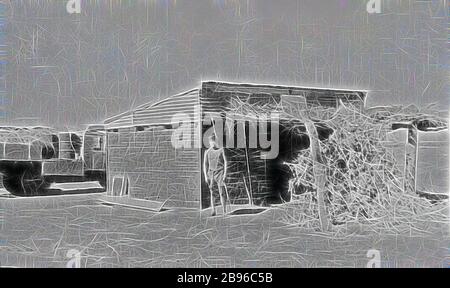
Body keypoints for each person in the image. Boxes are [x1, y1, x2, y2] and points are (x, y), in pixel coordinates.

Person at [204, 135, 228, 216]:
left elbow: (226, 162)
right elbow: (205, 165)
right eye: (211, 142)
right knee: (212, 192)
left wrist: (225, 174)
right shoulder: (207, 152)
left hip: (220, 172)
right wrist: (205, 176)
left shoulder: (221, 150)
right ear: (209, 142)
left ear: (216, 141)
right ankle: (213, 210)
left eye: (213, 141)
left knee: (222, 192)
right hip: (211, 173)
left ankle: (224, 210)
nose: (212, 143)